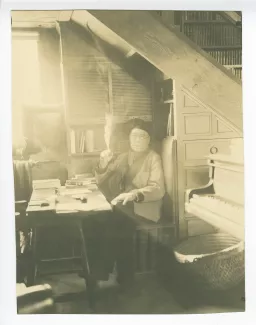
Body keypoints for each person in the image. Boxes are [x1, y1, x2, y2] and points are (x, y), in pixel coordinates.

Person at [93, 118, 165, 288]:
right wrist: (103, 164)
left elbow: (158, 188)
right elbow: (101, 181)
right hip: (123, 207)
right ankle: (116, 275)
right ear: (130, 139)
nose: (138, 140)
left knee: (117, 224)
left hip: (144, 207)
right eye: (135, 136)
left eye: (143, 137)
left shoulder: (153, 158)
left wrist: (134, 194)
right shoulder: (124, 157)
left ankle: (104, 272)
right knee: (100, 222)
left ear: (149, 140)